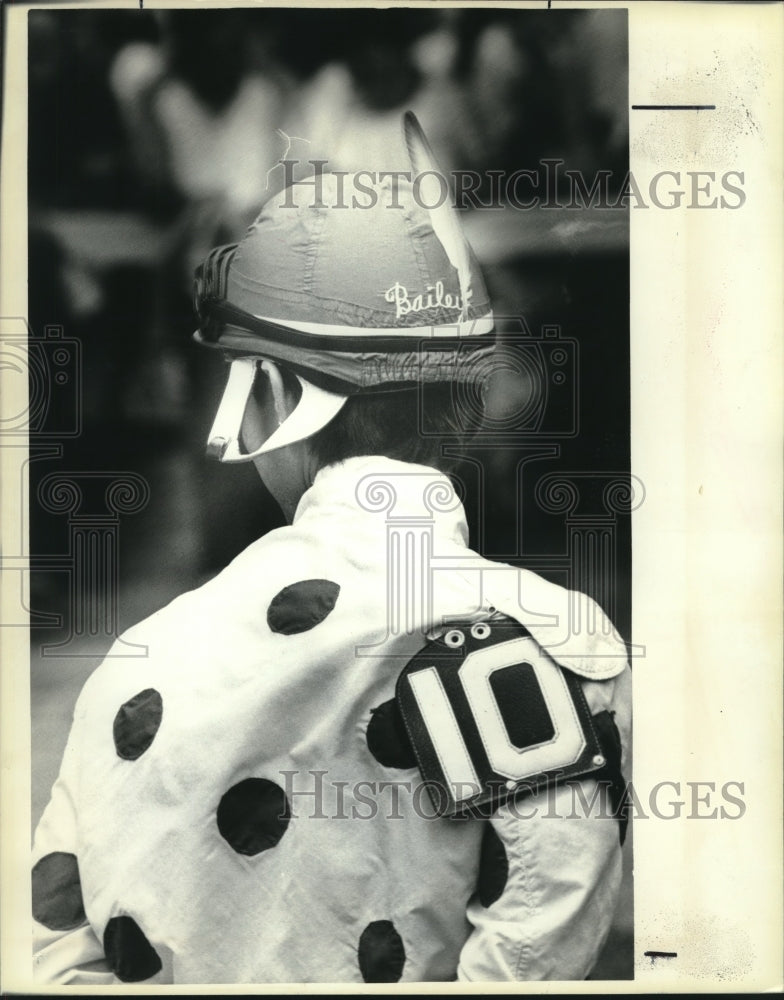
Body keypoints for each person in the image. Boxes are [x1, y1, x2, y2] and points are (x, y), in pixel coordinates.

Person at [31, 112, 631, 984]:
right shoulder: (548, 638)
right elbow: (543, 931)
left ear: (270, 391)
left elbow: (55, 945)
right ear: (469, 399)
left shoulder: (135, 665)